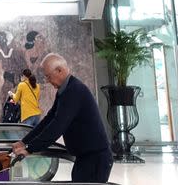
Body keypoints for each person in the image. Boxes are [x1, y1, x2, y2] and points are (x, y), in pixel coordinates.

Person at [12, 53, 112, 184]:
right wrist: (24, 142)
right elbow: (49, 119)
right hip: (85, 158)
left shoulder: (74, 91)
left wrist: (29, 149)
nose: (47, 80)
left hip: (95, 159)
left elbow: (57, 127)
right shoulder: (64, 91)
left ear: (59, 70)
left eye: (48, 76)